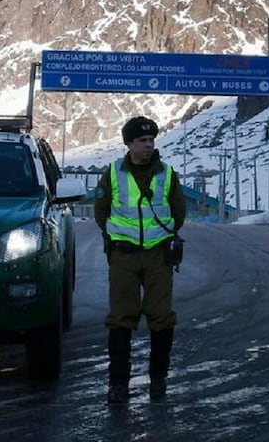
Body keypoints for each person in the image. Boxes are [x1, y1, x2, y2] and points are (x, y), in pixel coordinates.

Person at [93, 115, 187, 404]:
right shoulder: (112, 173)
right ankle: (118, 384)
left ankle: (158, 381)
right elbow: (101, 210)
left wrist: (165, 236)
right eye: (142, 141)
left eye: (151, 140)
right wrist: (116, 238)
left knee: (161, 318)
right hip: (124, 256)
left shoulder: (167, 174)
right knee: (121, 319)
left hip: (159, 256)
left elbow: (178, 211)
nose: (148, 145)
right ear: (129, 143)